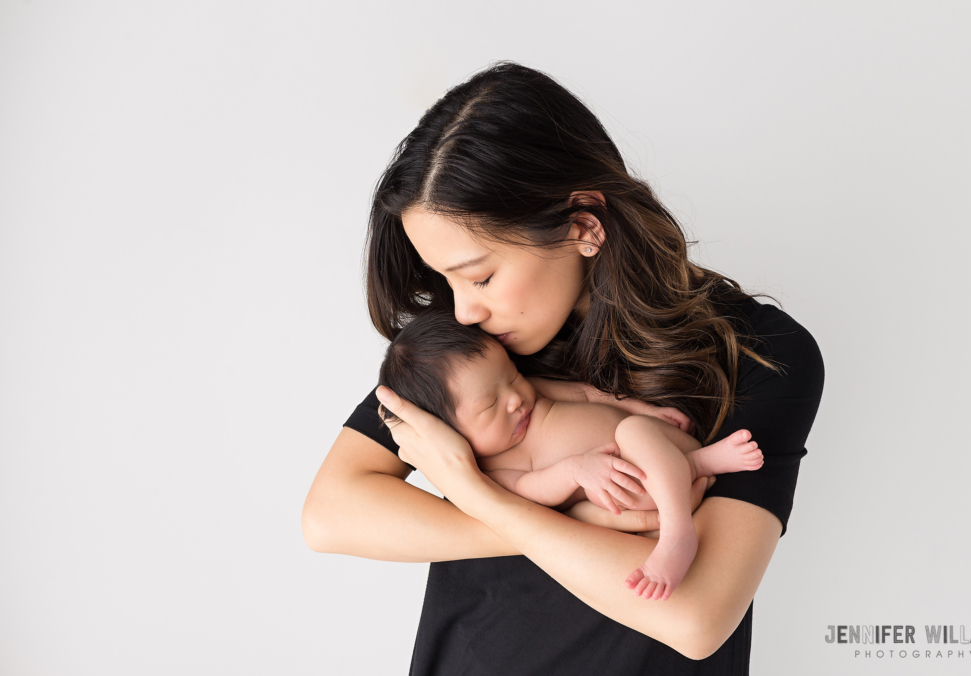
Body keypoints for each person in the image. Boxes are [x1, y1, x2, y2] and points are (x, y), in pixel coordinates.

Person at [302, 61, 825, 674]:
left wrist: (481, 495)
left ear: (583, 224)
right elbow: (332, 514)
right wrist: (569, 513)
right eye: (444, 280)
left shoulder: (760, 349)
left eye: (480, 276)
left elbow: (695, 617)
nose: (463, 309)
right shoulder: (475, 348)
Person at [377, 308, 765, 601]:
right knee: (625, 465)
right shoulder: (493, 471)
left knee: (633, 431)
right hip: (626, 495)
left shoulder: (533, 392)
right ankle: (678, 531)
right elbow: (533, 489)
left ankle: (698, 468)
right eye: (490, 405)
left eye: (510, 376)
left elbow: (588, 393)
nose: (515, 398)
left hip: (658, 446)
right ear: (447, 434)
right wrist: (577, 470)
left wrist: (643, 410)